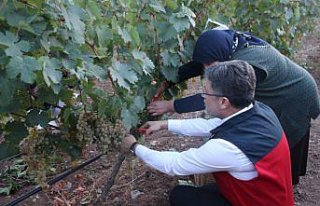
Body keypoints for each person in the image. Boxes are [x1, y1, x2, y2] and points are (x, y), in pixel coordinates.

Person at [147, 29, 320, 185]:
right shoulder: (228, 46)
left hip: (296, 96)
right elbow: (204, 61)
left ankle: (277, 184)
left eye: (210, 66)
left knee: (278, 141)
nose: (206, 70)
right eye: (205, 65)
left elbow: (214, 97)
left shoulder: (248, 64)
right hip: (288, 87)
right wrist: (169, 81)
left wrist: (171, 105)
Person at [122, 60, 294, 206]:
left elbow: (174, 164)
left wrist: (134, 147)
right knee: (204, 192)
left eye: (206, 91)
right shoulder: (259, 110)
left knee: (180, 196)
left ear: (223, 102)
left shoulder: (228, 148)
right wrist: (165, 124)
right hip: (265, 197)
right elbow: (211, 125)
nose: (202, 96)